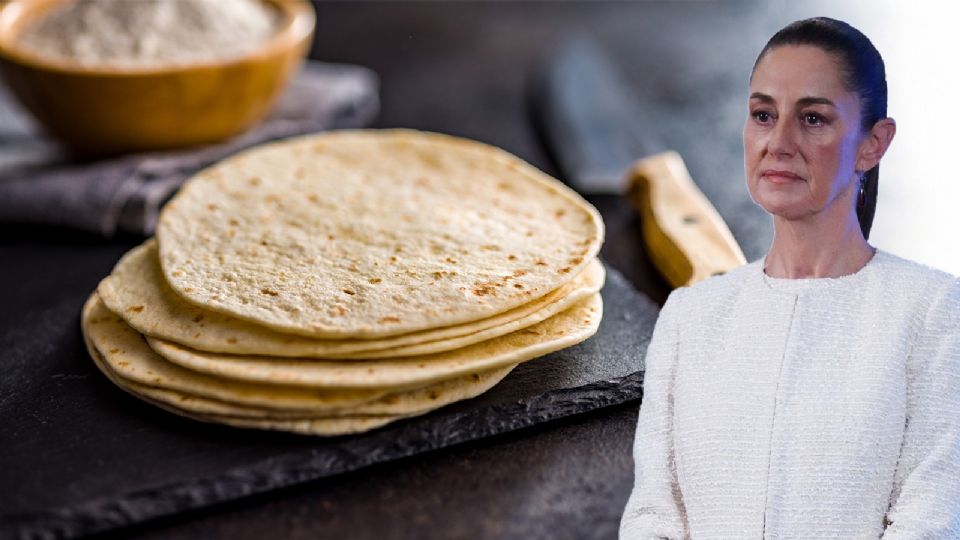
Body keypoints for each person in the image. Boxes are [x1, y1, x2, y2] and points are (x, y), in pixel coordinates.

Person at [619, 17, 960, 539]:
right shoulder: (690, 318)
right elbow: (652, 516)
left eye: (813, 119)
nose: (778, 142)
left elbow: (929, 519)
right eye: (763, 114)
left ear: (873, 144)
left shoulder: (931, 310)